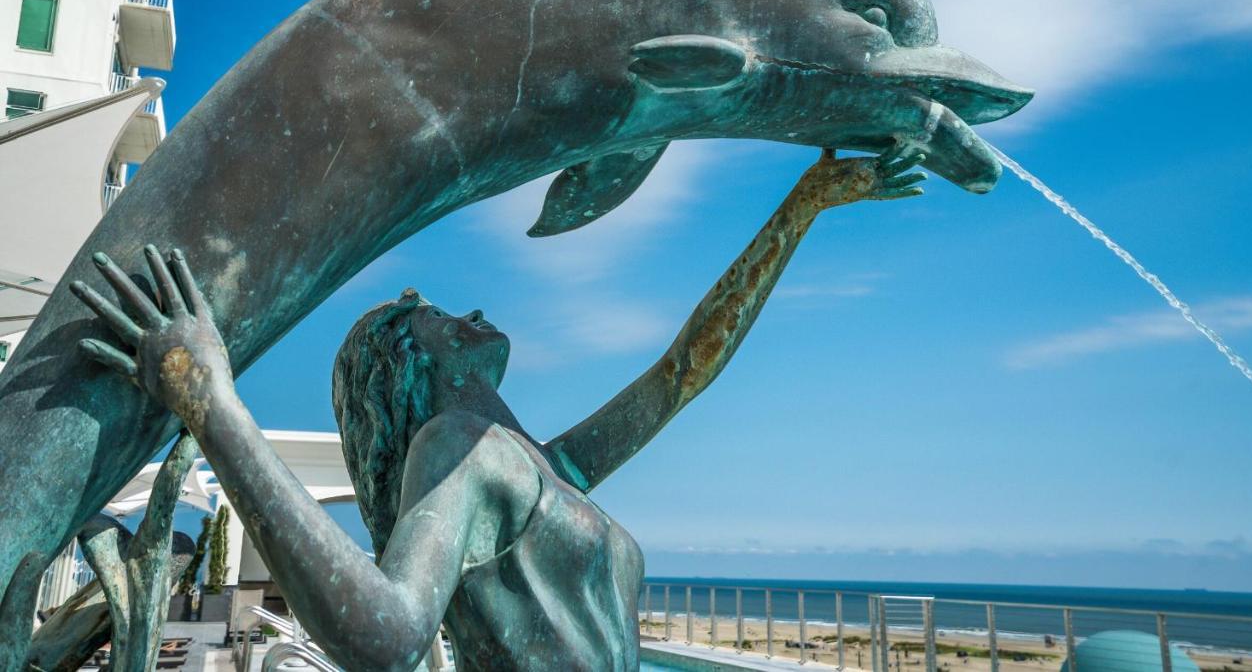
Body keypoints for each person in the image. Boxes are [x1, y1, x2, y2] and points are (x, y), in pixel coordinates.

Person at [71, 148, 925, 671]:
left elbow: (682, 371)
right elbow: (390, 636)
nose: (468, 312)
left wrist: (802, 206)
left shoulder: (536, 465)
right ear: (413, 365)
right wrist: (210, 403)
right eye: (435, 314)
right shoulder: (456, 451)